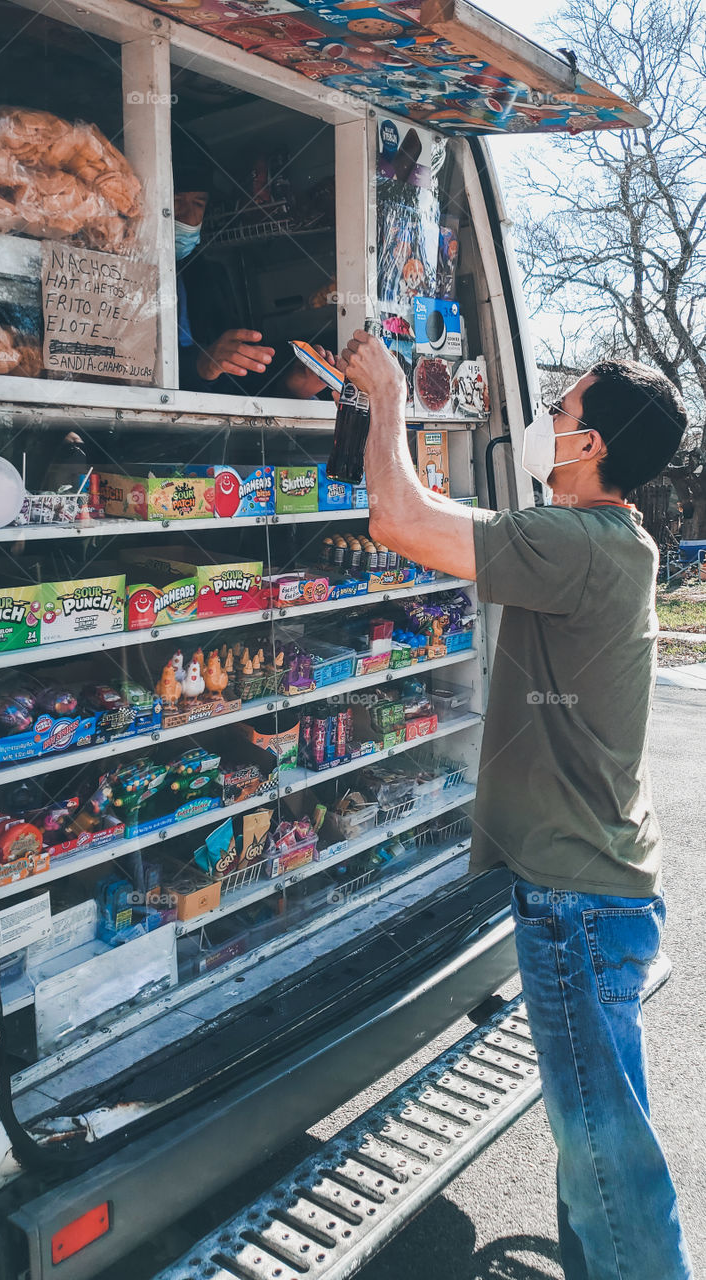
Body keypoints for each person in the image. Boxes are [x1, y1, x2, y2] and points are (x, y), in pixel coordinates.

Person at [337, 332, 693, 1280]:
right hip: (599, 892)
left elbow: (399, 519)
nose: (545, 421)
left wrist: (384, 398)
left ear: (591, 447)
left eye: (563, 410)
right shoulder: (604, 544)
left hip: (577, 906)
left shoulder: (577, 545)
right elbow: (446, 513)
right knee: (600, 1152)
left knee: (609, 1172)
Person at [172, 129, 335, 398]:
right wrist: (199, 365)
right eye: (176, 202)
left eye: (198, 203)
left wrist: (292, 388)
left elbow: (237, 384)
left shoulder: (208, 277)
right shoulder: (122, 277)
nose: (189, 216)